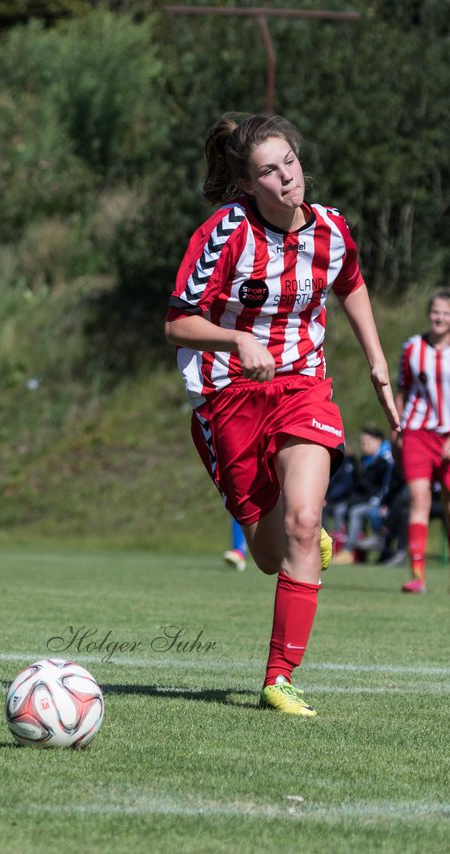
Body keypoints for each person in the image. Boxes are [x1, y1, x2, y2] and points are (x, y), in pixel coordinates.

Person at [165, 113, 400, 717]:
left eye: (289, 162)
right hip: (228, 394)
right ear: (248, 183)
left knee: (301, 522)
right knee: (270, 555)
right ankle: (297, 539)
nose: (286, 178)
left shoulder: (330, 227)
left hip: (303, 387)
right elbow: (177, 322)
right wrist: (236, 341)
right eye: (268, 171)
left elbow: (350, 282)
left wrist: (376, 362)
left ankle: (279, 677)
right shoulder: (224, 233)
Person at [393, 290, 450, 593]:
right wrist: (396, 427)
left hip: (449, 434)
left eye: (446, 313)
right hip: (417, 432)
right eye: (436, 312)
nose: (440, 318)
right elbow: (403, 389)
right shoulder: (412, 348)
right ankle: (417, 575)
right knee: (419, 499)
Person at [325, 427, 393, 564]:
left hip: (379, 503)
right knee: (341, 508)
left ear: (378, 441)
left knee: (356, 512)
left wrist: (379, 502)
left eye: (367, 442)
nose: (363, 446)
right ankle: (335, 546)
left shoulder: (386, 459)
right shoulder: (365, 460)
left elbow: (387, 486)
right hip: (364, 500)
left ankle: (349, 550)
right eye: (362, 442)